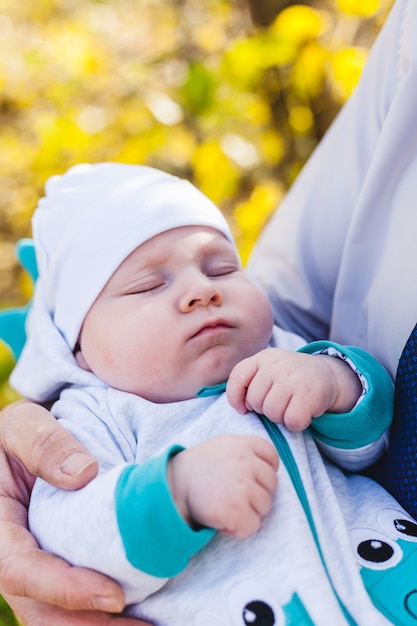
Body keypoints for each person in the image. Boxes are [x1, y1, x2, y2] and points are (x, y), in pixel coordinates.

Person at [0, 0, 415, 623]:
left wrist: (333, 383)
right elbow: (68, 531)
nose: (202, 290)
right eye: (147, 287)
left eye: (221, 267)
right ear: (79, 348)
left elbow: (370, 446)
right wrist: (176, 493)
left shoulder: (277, 353)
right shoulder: (94, 417)